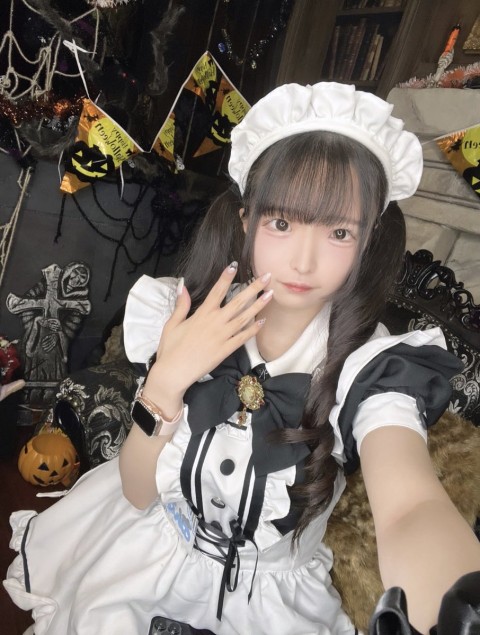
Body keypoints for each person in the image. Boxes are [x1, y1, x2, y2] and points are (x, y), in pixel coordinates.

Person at [4, 82, 480, 635]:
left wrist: (457, 601)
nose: (303, 260)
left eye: (338, 232)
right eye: (281, 223)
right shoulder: (185, 314)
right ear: (245, 219)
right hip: (148, 554)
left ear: (370, 237)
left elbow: (410, 503)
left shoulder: (371, 367)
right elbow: (137, 492)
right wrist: (168, 378)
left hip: (271, 602)